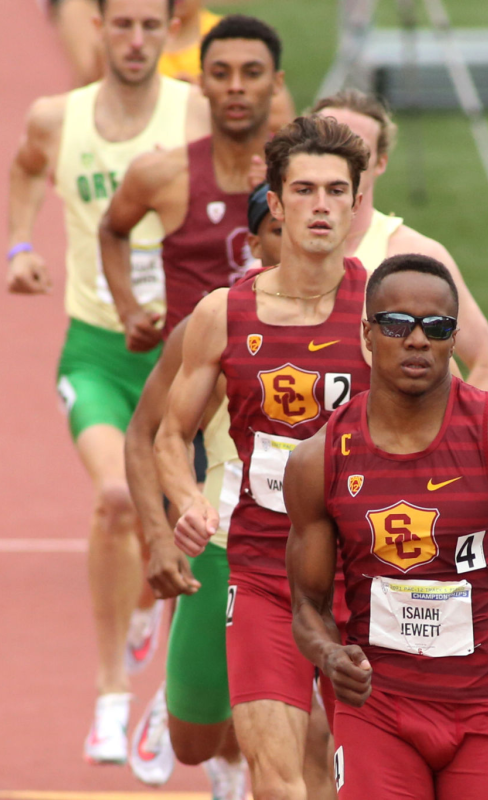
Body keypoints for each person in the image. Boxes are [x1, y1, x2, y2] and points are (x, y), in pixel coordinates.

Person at [284, 254, 488, 799]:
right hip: (376, 709)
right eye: (397, 324)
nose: (417, 340)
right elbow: (306, 604)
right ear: (367, 334)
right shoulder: (320, 460)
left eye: (437, 327)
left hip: (485, 713)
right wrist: (330, 656)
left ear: (453, 340)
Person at [6, 0, 210, 765]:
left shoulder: (198, 117)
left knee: (193, 534)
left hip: (186, 362)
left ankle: (156, 635)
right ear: (96, 26)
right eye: (119, 24)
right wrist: (19, 245)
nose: (133, 40)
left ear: (169, 30)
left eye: (148, 26)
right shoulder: (58, 118)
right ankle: (109, 694)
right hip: (96, 352)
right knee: (117, 499)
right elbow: (25, 169)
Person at [157, 115, 373, 800]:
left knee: (363, 782)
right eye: (303, 190)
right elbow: (170, 436)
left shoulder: (388, 313)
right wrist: (189, 501)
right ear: (275, 203)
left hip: (366, 582)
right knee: (277, 785)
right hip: (262, 571)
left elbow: (450, 432)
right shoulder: (225, 313)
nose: (319, 205)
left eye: (335, 190)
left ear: (355, 202)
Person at [122, 186, 332, 800]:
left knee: (317, 737)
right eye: (272, 229)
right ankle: (187, 707)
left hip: (331, 555)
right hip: (225, 548)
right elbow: (146, 437)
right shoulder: (215, 322)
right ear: (256, 241)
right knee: (194, 741)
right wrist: (164, 534)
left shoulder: (362, 318)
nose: (288, 240)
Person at [100, 14, 282, 354]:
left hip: (275, 375)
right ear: (201, 83)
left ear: (277, 82)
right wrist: (128, 311)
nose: (236, 86)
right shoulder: (161, 173)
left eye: (252, 73)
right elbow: (112, 229)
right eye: (220, 73)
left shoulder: (304, 177)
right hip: (188, 375)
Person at [311, 90, 488, 398]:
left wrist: (446, 434)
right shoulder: (269, 246)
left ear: (380, 163)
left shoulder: (414, 254)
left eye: (355, 150)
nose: (339, 160)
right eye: (326, 146)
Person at [158, 1, 296, 134]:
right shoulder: (140, 41)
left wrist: (205, 103)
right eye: (220, 74)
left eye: (220, 74)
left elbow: (282, 121)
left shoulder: (232, 36)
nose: (235, 86)